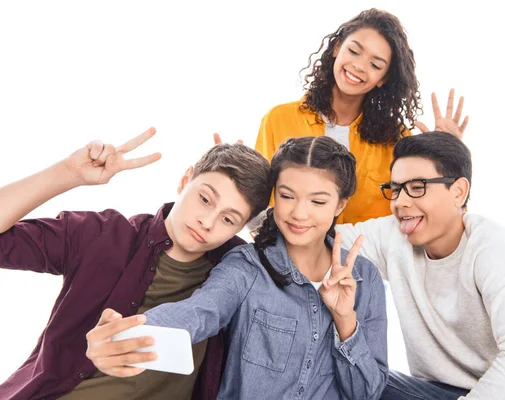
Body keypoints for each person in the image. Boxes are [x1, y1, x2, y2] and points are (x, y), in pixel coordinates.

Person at [86, 136, 389, 399]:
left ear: (340, 205)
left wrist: (344, 318)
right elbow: (198, 312)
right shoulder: (247, 266)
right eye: (287, 196)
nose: (299, 213)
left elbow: (367, 392)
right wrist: (124, 335)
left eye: (318, 202)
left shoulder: (364, 278)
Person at [0, 127, 271, 400]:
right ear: (185, 179)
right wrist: (68, 173)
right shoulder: (103, 235)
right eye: (204, 199)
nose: (208, 221)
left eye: (228, 219)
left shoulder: (240, 273)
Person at [336, 131, 505, 399]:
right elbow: (321, 239)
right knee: (358, 379)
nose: (400, 202)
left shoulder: (492, 249)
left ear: (459, 192)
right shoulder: (394, 235)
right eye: (395, 189)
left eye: (417, 187)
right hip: (437, 391)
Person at [254, 8, 468, 224]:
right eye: (354, 51)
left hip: (367, 256)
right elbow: (256, 203)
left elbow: (423, 210)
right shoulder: (279, 119)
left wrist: (448, 157)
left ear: (383, 78)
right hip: (287, 252)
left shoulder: (397, 139)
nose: (358, 66)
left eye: (375, 65)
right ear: (337, 47)